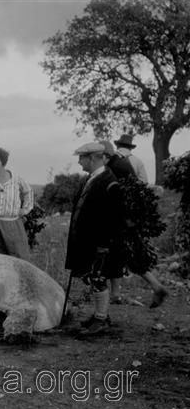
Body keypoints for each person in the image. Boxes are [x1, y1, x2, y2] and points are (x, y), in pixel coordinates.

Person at [65, 143, 126, 335]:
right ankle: (101, 315)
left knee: (97, 277)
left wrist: (104, 245)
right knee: (91, 278)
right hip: (86, 241)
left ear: (92, 158)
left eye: (81, 157)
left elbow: (114, 218)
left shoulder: (109, 181)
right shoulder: (91, 179)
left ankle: (101, 320)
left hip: (99, 243)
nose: (78, 161)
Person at [99, 140, 169, 308]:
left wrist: (129, 218)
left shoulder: (117, 167)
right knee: (119, 255)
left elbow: (131, 192)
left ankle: (156, 286)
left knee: (127, 255)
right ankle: (117, 294)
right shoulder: (121, 163)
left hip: (124, 219)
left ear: (104, 155)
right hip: (125, 218)